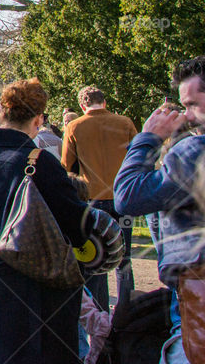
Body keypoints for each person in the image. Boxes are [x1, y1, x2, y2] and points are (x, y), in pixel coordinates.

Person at [0, 79, 90, 364]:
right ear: (38, 119)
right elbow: (76, 222)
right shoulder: (38, 160)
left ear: (1, 113)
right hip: (32, 277)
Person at [114, 56, 205, 363]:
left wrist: (148, 138)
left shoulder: (194, 153)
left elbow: (128, 196)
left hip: (197, 298)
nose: (188, 116)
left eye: (192, 104)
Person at [62, 85, 137, 311]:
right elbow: (138, 157)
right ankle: (126, 309)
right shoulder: (125, 123)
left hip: (93, 199)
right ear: (104, 102)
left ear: (83, 106)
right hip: (122, 197)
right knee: (124, 258)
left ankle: (100, 310)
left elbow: (67, 166)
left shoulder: (75, 126)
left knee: (95, 261)